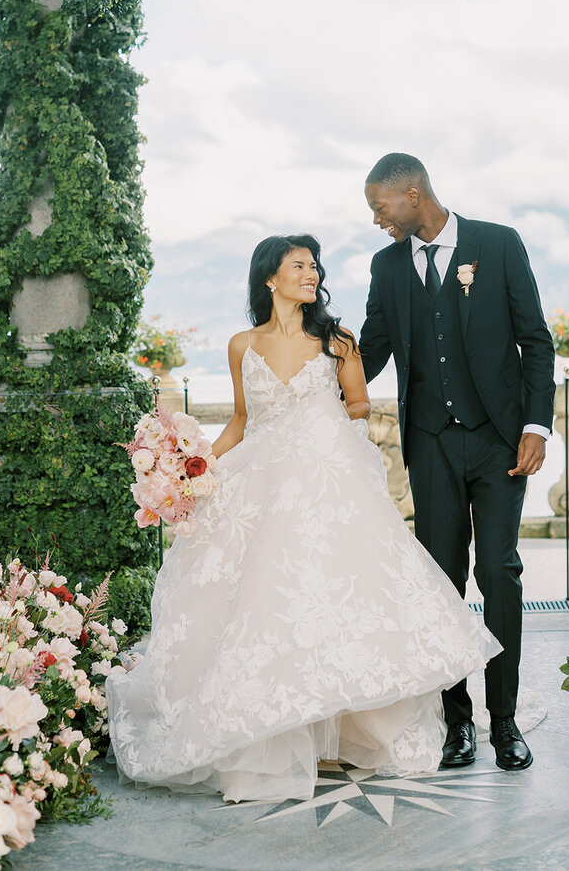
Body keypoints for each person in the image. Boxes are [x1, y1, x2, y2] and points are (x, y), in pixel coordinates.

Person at [107, 233, 500, 803]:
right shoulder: (243, 344)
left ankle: (347, 725)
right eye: (299, 266)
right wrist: (192, 470)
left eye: (314, 267)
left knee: (340, 599)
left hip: (327, 480)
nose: (310, 275)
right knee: (269, 604)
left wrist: (322, 421)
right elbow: (242, 420)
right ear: (271, 278)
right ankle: (274, 729)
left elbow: (360, 404)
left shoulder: (337, 340)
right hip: (263, 487)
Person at [359, 154, 555, 773]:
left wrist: (535, 425)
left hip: (499, 442)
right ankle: (457, 723)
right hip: (430, 443)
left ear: (412, 194)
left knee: (499, 572)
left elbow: (536, 341)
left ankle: (505, 723)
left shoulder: (497, 245)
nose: (376, 220)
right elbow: (370, 351)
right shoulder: (387, 266)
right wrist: (305, 382)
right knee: (441, 580)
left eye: (380, 207)